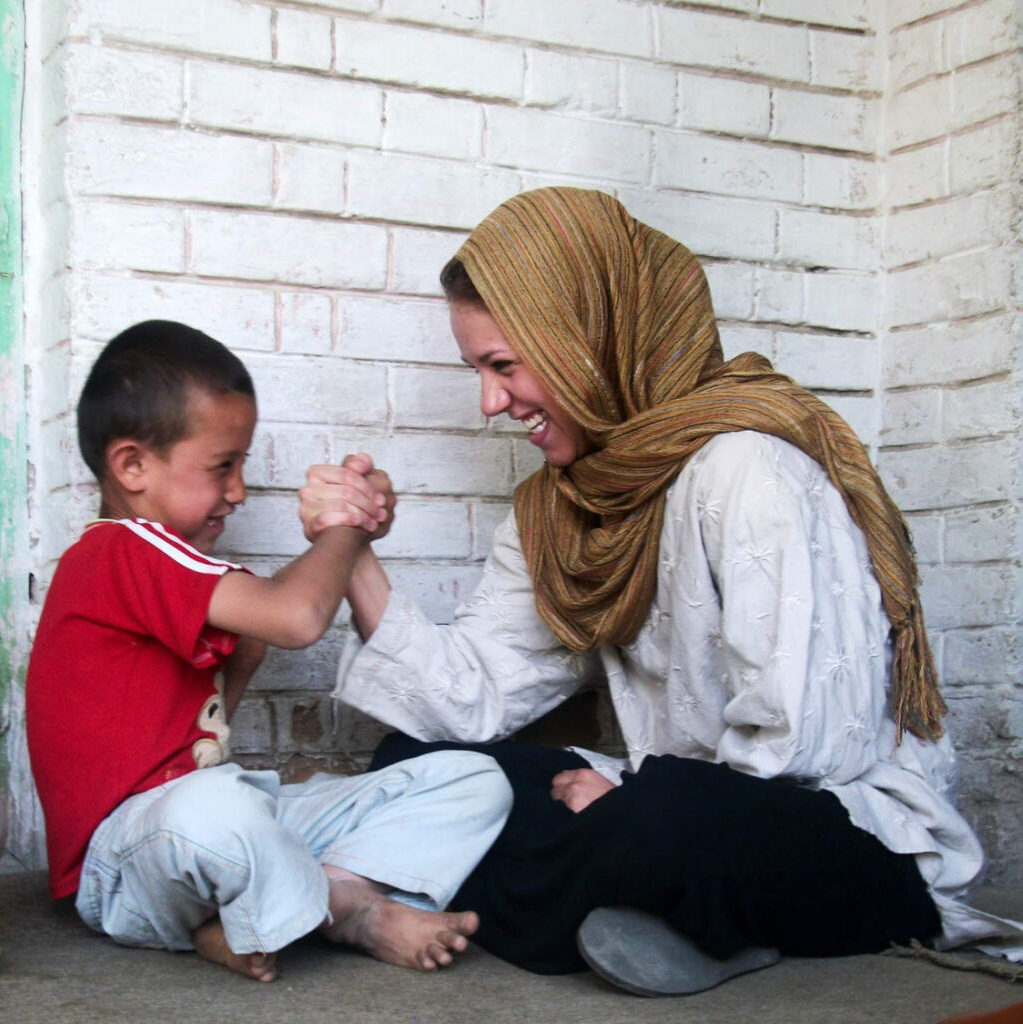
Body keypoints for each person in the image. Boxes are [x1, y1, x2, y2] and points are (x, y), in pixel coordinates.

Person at [301, 187, 1023, 996]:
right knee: (417, 764)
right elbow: (474, 701)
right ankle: (673, 922)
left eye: (504, 366)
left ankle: (656, 906)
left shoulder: (749, 468)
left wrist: (623, 796)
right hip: (667, 805)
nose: (491, 403)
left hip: (830, 833)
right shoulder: (564, 505)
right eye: (479, 371)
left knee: (670, 821)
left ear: (587, 341)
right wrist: (355, 555)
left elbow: (806, 752)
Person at [25, 320, 512, 983]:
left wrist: (346, 543)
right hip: (122, 863)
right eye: (222, 465)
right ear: (132, 466)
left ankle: (264, 909)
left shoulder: (180, 576)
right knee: (219, 810)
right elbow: (300, 614)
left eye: (243, 465)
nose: (239, 491)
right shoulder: (120, 548)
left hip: (204, 829)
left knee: (470, 778)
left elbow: (212, 712)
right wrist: (348, 527)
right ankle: (350, 910)